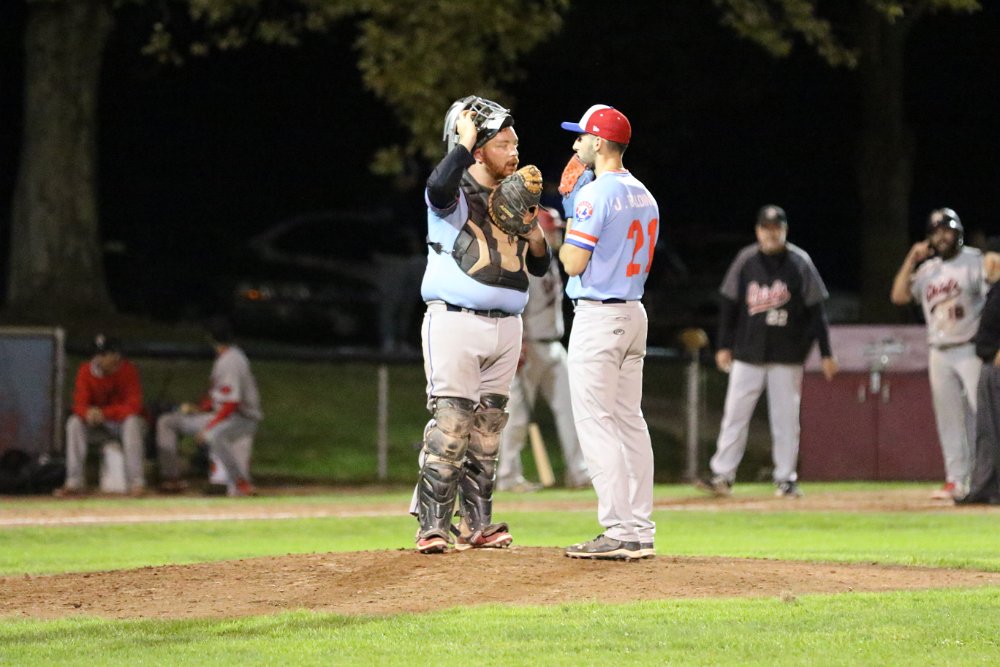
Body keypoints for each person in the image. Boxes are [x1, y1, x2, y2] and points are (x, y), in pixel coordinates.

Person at [409, 95, 551, 554]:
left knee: (488, 431)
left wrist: (535, 234)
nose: (514, 152)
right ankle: (432, 526)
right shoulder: (451, 193)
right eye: (503, 144)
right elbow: (436, 187)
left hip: (507, 325)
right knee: (452, 425)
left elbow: (540, 266)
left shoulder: (514, 194)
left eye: (515, 143)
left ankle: (478, 525)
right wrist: (464, 143)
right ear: (476, 149)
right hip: (455, 320)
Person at [557, 104, 658, 561]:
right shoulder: (645, 193)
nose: (576, 143)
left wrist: (568, 216)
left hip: (599, 317)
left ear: (599, 142)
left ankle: (618, 530)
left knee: (596, 424)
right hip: (633, 313)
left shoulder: (594, 194)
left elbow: (573, 262)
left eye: (581, 136)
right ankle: (640, 529)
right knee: (630, 422)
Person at [697, 205, 838, 500]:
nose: (771, 233)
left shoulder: (799, 261)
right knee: (734, 415)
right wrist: (723, 345)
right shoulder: (746, 260)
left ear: (785, 230)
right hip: (747, 353)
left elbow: (817, 311)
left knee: (786, 419)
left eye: (776, 228)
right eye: (766, 228)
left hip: (787, 354)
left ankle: (786, 478)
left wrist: (826, 352)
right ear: (758, 230)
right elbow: (728, 305)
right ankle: (722, 475)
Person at [890, 208, 987, 500]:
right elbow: (899, 296)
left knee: (985, 415)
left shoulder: (974, 261)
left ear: (958, 232)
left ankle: (987, 478)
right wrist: (911, 259)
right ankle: (956, 480)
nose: (942, 236)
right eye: (936, 232)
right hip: (939, 351)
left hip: (971, 348)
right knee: (949, 419)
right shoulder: (927, 270)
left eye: (947, 230)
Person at [497, 206, 589, 492]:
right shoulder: (521, 260)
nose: (555, 234)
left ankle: (580, 472)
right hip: (529, 346)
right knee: (516, 415)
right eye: (550, 229)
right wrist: (517, 345)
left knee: (573, 410)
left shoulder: (550, 260)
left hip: (554, 344)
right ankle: (508, 476)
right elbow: (512, 305)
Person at [156, 317, 262, 497]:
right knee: (167, 422)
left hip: (242, 419)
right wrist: (198, 408)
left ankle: (241, 483)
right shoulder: (227, 357)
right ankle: (172, 478)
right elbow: (218, 397)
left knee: (214, 436)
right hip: (224, 416)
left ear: (210, 338)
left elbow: (231, 403)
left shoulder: (231, 361)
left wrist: (208, 428)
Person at [54, 334, 146, 497]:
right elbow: (78, 404)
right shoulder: (86, 370)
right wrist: (87, 413)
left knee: (132, 422)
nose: (98, 358)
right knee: (74, 422)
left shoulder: (128, 370)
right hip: (98, 428)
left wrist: (104, 413)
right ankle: (73, 482)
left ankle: (136, 483)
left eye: (104, 354)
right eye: (96, 354)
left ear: (116, 355)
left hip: (123, 427)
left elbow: (134, 407)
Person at [959, 238, 1000, 504]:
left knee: (993, 430)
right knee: (988, 431)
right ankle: (987, 487)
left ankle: (988, 487)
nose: (989, 266)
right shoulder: (994, 290)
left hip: (995, 367)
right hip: (988, 365)